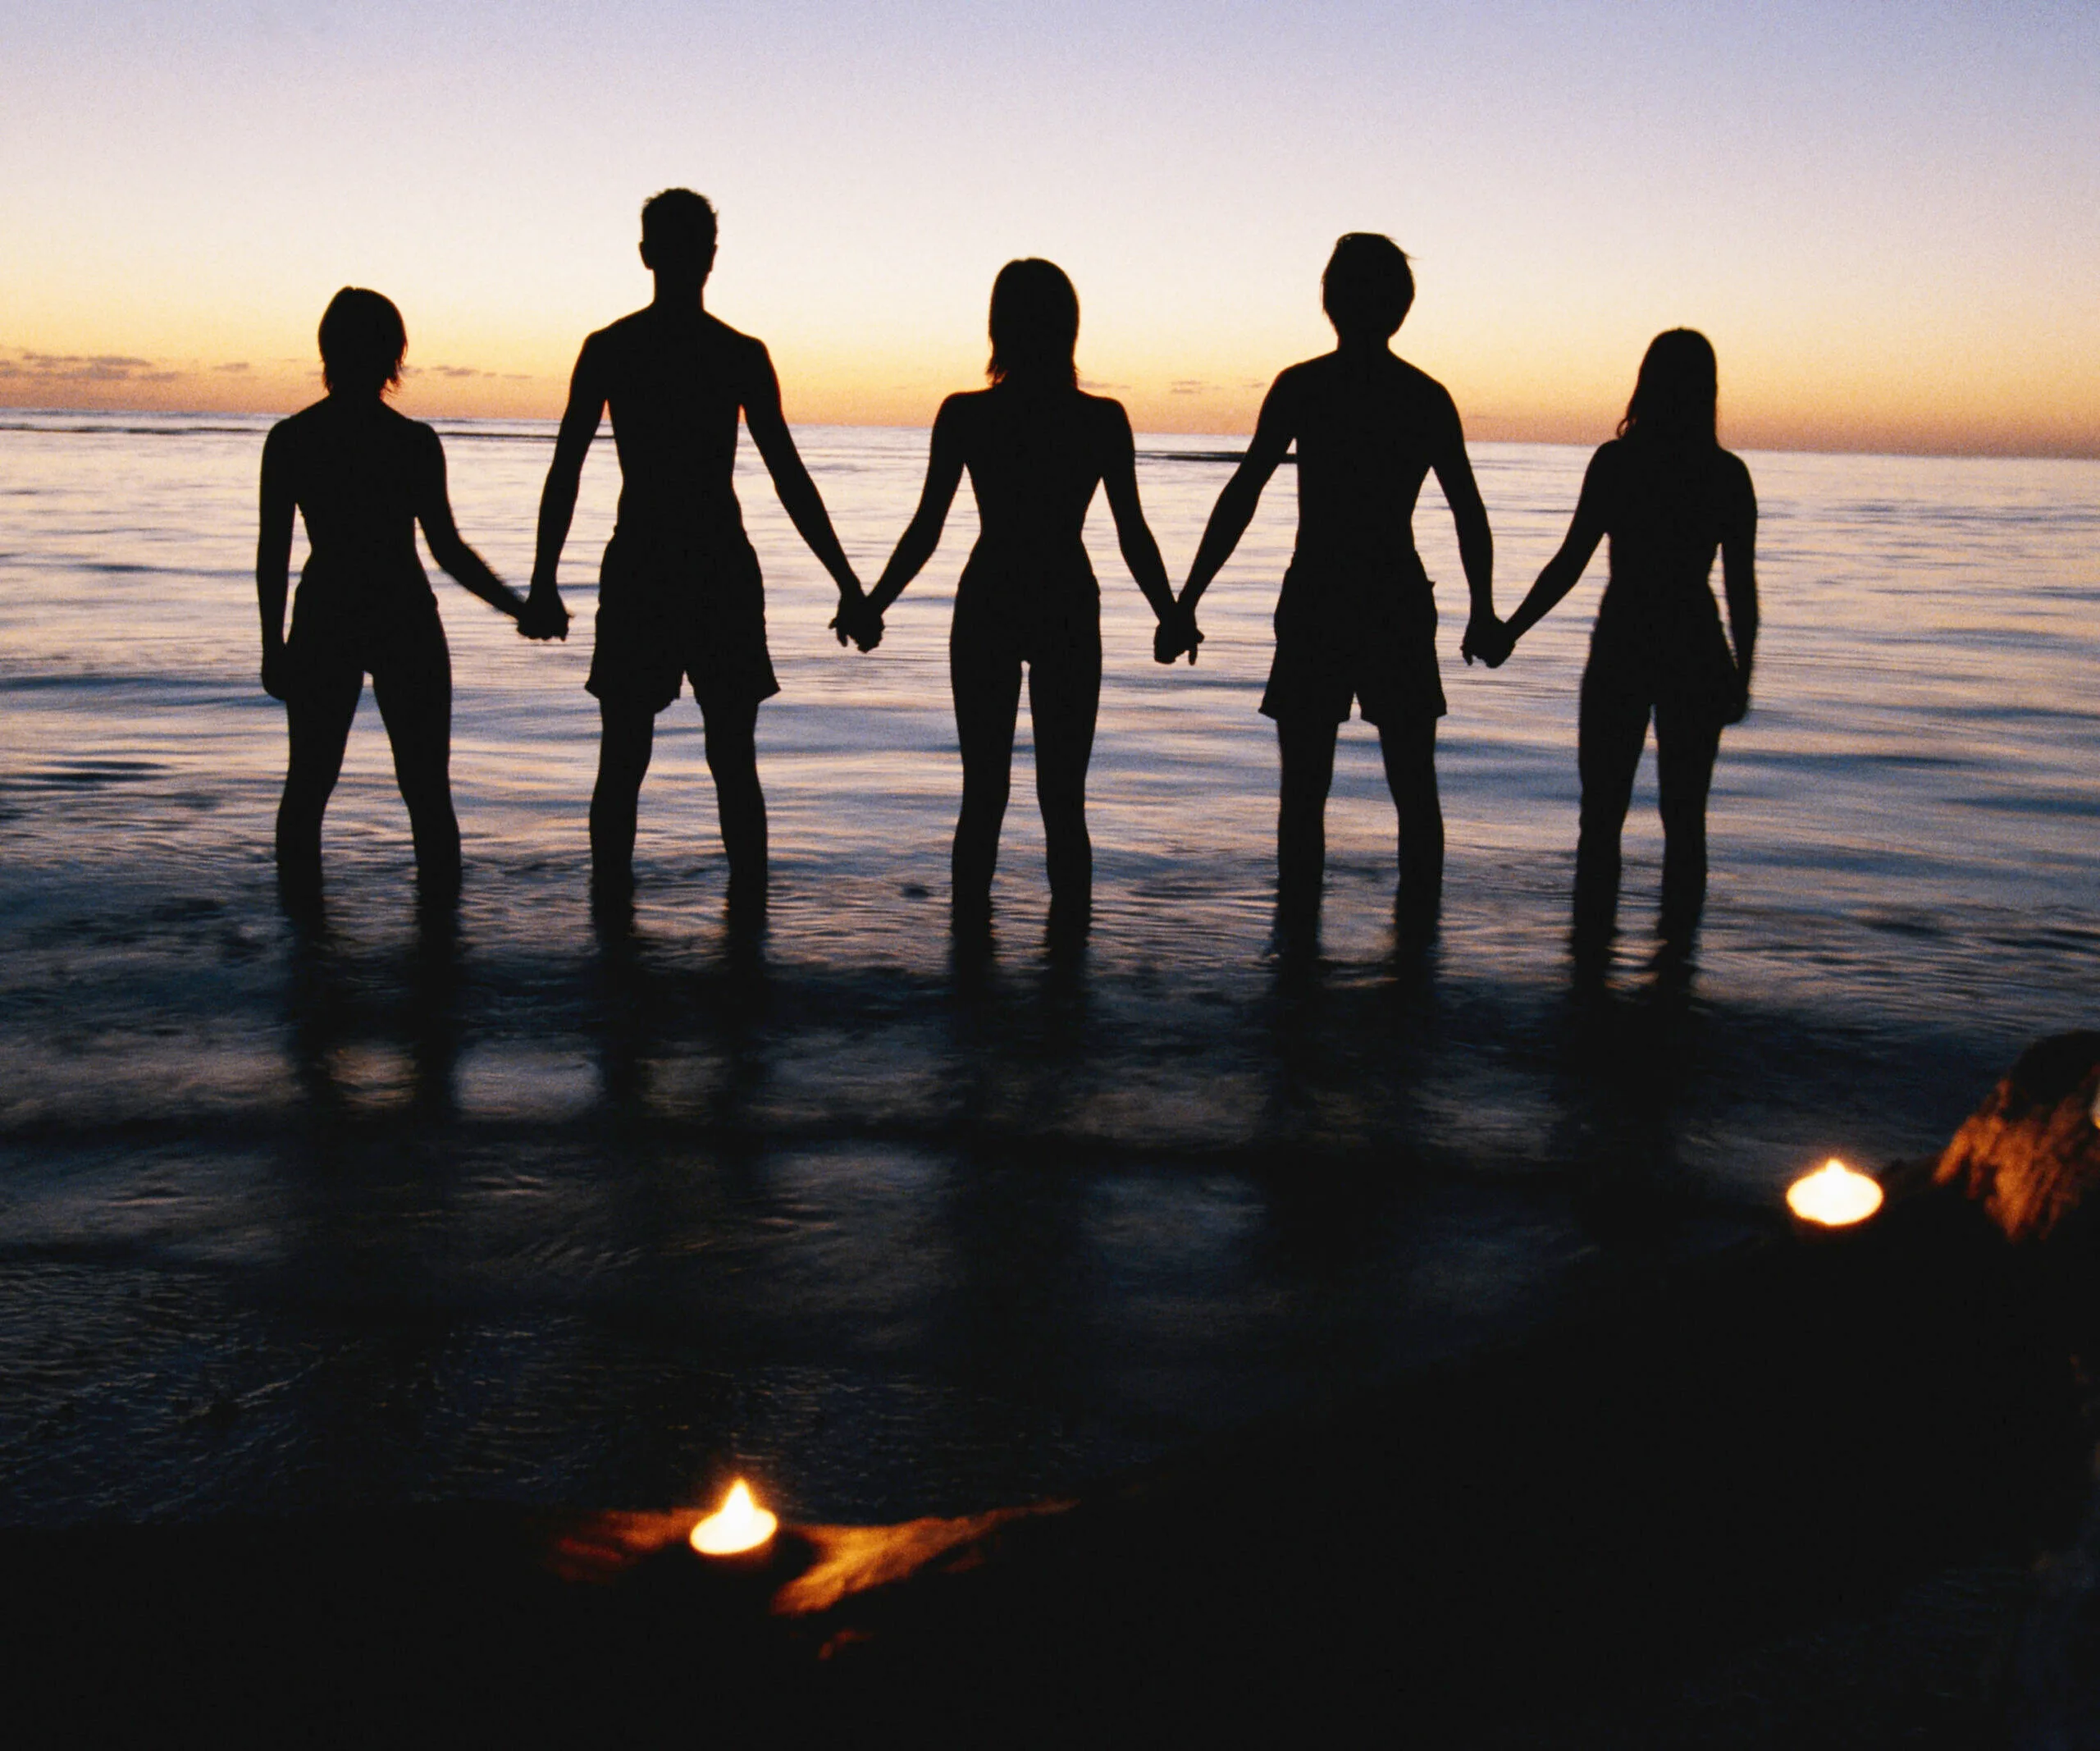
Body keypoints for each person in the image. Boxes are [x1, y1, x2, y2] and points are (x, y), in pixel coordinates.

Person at [527, 188, 870, 916]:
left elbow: (567, 469)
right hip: (712, 567)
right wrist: (849, 584)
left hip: (649, 565)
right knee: (729, 763)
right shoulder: (735, 355)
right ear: (708, 257)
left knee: (626, 761)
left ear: (648, 253)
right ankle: (743, 936)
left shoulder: (613, 349)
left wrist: (544, 581)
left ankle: (613, 930)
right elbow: (787, 476)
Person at [842, 258, 1194, 936]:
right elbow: (1132, 535)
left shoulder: (968, 414)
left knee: (985, 796)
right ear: (1069, 328)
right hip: (1064, 596)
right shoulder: (1099, 420)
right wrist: (1170, 613)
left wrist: (874, 604)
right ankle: (1067, 978)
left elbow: (927, 530)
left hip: (991, 599)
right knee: (1064, 801)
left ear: (998, 327)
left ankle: (971, 967)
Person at [1169, 234, 1495, 930]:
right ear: (1401, 308)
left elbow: (1244, 492)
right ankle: (1415, 956)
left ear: (1330, 302)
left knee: (1305, 794)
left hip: (1321, 594)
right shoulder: (1423, 397)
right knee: (1414, 789)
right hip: (1392, 600)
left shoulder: (1306, 386)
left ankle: (1298, 957)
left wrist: (1188, 599)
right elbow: (1468, 513)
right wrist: (1484, 612)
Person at [257, 287, 559, 908]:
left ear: (328, 351)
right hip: (402, 615)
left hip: (327, 614)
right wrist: (519, 607)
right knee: (425, 792)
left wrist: (273, 646)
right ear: (394, 355)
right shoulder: (411, 442)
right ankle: (438, 951)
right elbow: (447, 550)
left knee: (309, 787)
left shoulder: (292, 439)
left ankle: (305, 948)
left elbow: (272, 559)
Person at [1474, 328, 1757, 947]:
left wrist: (1509, 631)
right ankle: (1674, 977)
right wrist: (1743, 672)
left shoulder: (1619, 462)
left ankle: (1590, 972)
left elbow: (1569, 562)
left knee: (1601, 819)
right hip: (1695, 649)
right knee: (1686, 823)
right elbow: (1741, 589)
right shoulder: (1726, 474)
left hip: (1624, 645)